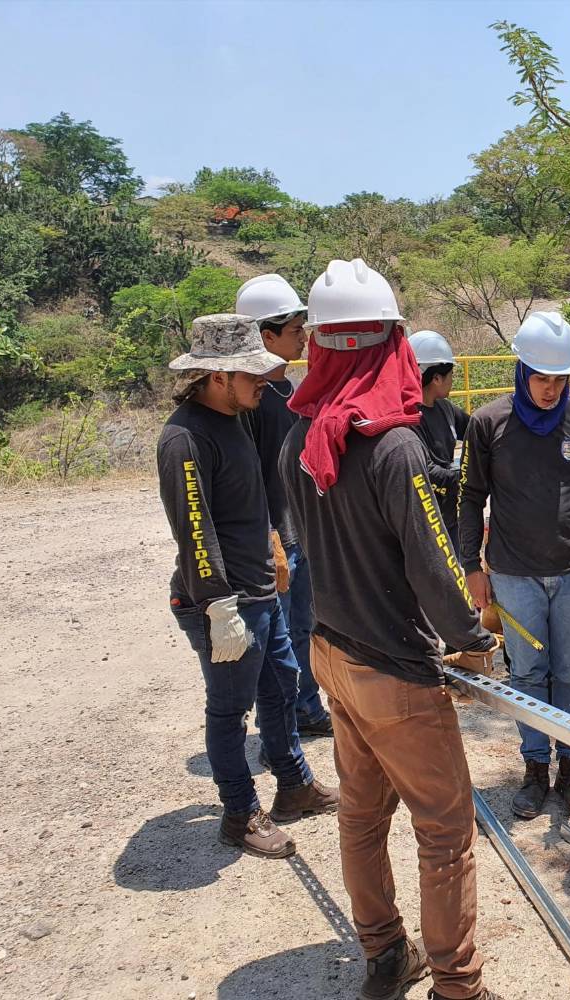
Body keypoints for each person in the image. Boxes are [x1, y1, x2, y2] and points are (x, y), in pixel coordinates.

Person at [280, 259, 503, 1000]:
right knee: (444, 832)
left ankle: (383, 955)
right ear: (392, 343)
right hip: (394, 673)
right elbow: (434, 565)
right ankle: (457, 985)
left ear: (320, 345)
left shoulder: (301, 437)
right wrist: (473, 639)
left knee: (362, 815)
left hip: (332, 652)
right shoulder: (395, 446)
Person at [156, 314, 338, 859]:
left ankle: (294, 784)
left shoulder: (236, 417)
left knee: (282, 687)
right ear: (217, 376)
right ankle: (239, 813)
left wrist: (274, 548)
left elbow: (251, 499)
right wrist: (217, 605)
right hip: (224, 601)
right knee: (230, 710)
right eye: (251, 374)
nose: (263, 382)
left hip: (261, 592)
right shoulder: (185, 438)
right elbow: (195, 529)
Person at [459, 311, 570, 821]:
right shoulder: (488, 423)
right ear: (523, 371)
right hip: (514, 574)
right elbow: (470, 497)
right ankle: (535, 768)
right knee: (527, 673)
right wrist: (471, 566)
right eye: (543, 378)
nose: (552, 390)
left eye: (561, 379)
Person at [235, 273, 332, 739]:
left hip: (302, 532)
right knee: (280, 635)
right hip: (277, 539)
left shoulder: (290, 392)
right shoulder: (249, 402)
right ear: (265, 336)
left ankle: (307, 708)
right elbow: (248, 478)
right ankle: (283, 719)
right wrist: (270, 538)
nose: (304, 339)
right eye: (295, 330)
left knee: (306, 627)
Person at [408, 329, 469, 533]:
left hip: (448, 512)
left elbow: (476, 431)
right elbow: (425, 469)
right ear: (436, 378)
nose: (452, 380)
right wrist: (468, 478)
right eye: (451, 375)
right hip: (426, 519)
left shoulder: (445, 408)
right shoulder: (409, 417)